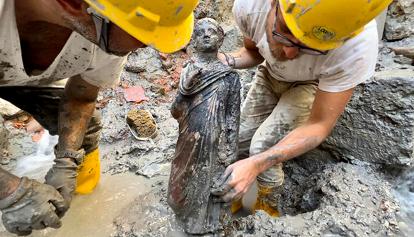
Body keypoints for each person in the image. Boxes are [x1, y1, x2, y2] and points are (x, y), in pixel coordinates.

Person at [0, 0, 197, 235]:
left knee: (83, 131)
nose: (149, 44)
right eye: (142, 32)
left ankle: (82, 197)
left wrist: (68, 160)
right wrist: (11, 192)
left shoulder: (105, 27)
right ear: (72, 4)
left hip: (23, 74)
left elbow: (81, 97)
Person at [211, 0, 392, 217]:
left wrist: (257, 164)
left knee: (262, 146)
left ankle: (266, 206)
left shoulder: (357, 46)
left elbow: (319, 125)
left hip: (312, 84)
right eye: (284, 32)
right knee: (239, 139)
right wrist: (221, 61)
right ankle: (238, 197)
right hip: (270, 75)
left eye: (311, 48)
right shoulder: (251, 6)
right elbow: (254, 52)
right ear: (273, 4)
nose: (289, 53)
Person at [167, 18, 240, 234]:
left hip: (215, 142)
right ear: (194, 42)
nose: (206, 35)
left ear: (221, 39)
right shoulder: (187, 73)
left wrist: (230, 149)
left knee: (211, 180)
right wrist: (184, 90)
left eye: (212, 31)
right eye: (200, 32)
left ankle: (206, 224)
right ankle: (181, 214)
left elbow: (232, 117)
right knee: (184, 176)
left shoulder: (230, 76)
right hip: (188, 139)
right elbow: (175, 112)